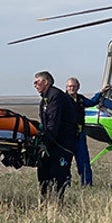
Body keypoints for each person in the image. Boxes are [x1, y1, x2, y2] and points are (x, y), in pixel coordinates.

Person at [33, 71, 77, 201]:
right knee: (43, 171)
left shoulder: (55, 96)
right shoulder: (45, 99)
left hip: (62, 143)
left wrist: (46, 140)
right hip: (52, 142)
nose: (34, 85)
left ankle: (58, 203)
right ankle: (44, 200)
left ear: (45, 82)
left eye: (37, 82)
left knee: (58, 174)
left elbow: (54, 121)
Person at [65, 77, 102, 187]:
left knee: (84, 162)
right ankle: (65, 185)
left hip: (80, 135)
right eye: (69, 86)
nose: (71, 88)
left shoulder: (80, 99)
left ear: (78, 87)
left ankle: (87, 185)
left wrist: (100, 93)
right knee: (65, 162)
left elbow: (91, 102)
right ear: (66, 88)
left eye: (74, 86)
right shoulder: (63, 100)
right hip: (67, 136)